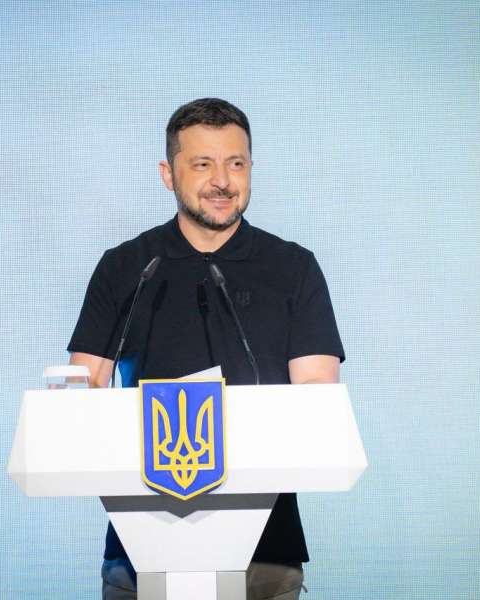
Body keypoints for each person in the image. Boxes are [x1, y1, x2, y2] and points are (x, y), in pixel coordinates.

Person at [67, 98, 344, 600]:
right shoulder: (127, 268)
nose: (222, 181)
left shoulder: (293, 267)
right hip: (141, 550)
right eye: (202, 164)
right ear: (167, 174)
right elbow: (81, 390)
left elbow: (316, 396)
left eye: (236, 164)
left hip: (265, 550)